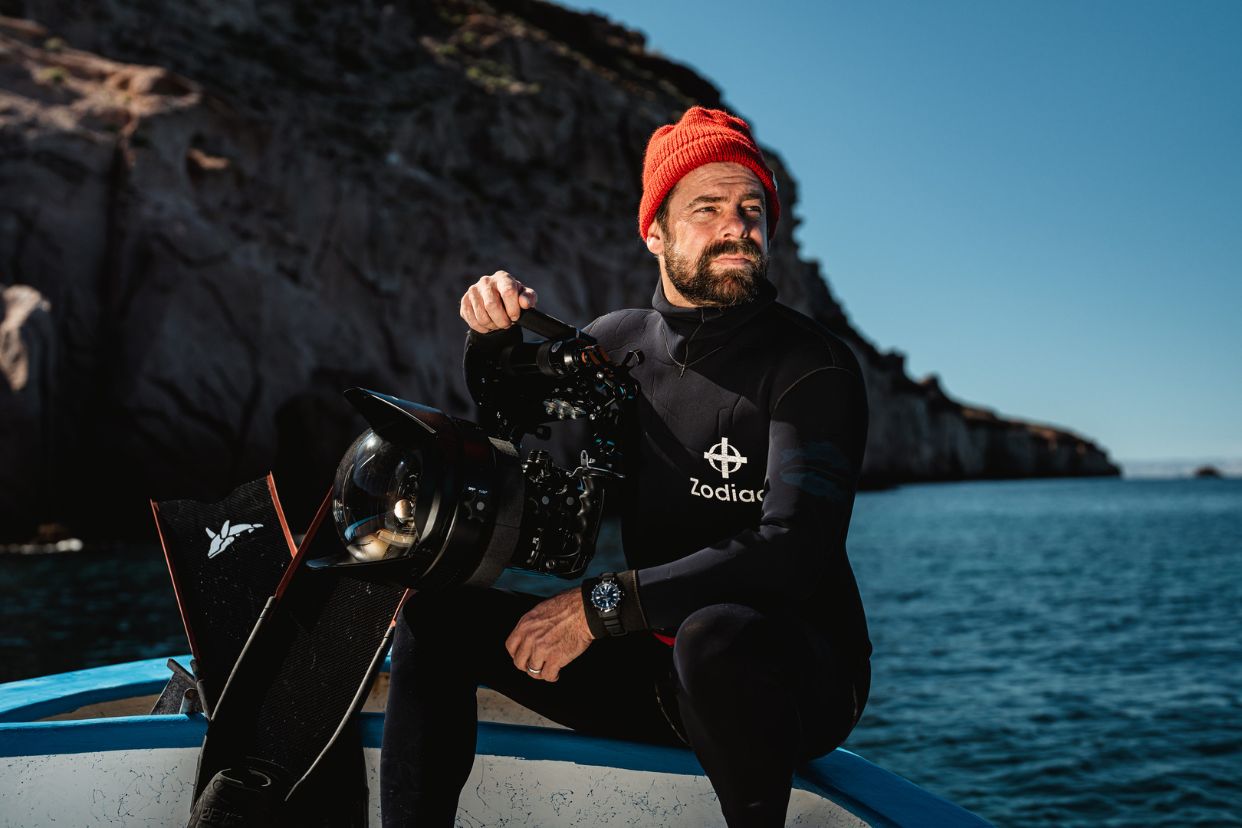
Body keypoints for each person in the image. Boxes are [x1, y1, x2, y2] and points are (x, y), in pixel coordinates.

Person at [381, 107, 872, 827]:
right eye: (707, 209)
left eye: (751, 208)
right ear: (655, 232)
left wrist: (600, 607)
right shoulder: (616, 343)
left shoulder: (811, 366)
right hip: (656, 669)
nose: (738, 227)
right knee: (434, 619)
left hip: (794, 681)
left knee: (713, 636)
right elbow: (523, 431)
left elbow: (793, 552)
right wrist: (489, 339)